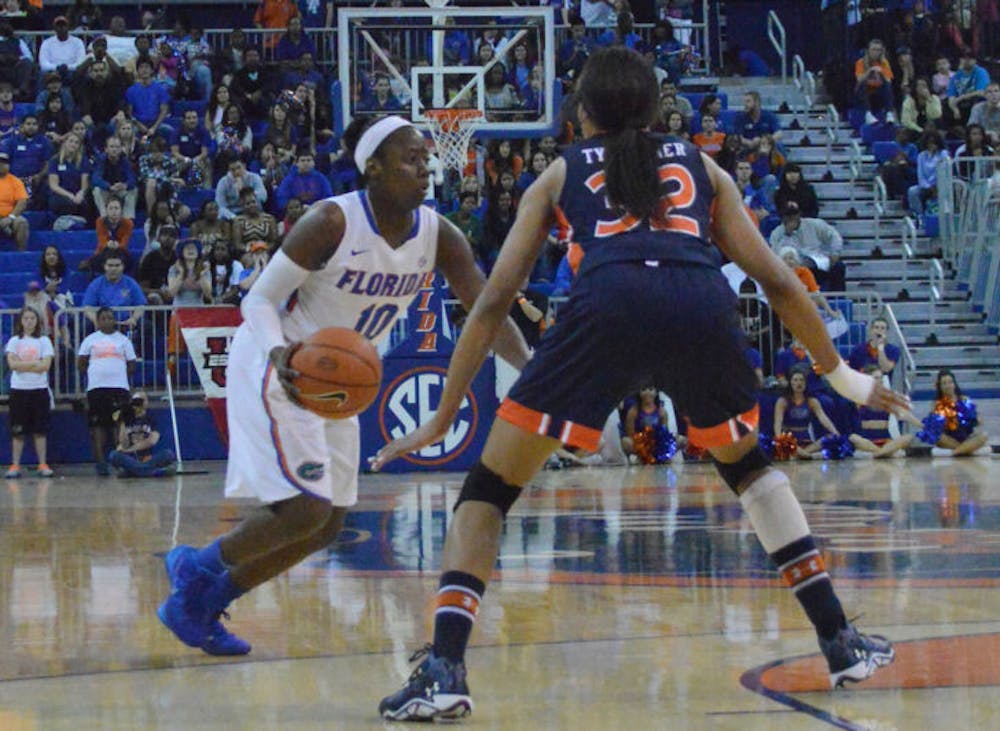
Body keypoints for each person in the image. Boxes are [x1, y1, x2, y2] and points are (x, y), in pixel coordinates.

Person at [371, 48, 907, 721]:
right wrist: (847, 378)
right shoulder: (701, 164)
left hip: (608, 302)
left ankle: (445, 668)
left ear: (580, 113)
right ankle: (840, 639)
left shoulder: (561, 170)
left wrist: (443, 414)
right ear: (656, 108)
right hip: (699, 298)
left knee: (488, 490)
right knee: (750, 469)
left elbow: (492, 300)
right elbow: (775, 278)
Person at [155, 114, 531, 659]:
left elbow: (488, 307)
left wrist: (532, 367)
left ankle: (199, 602)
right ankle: (196, 566)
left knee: (327, 524)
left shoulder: (438, 234)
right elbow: (257, 300)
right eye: (410, 158)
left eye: (427, 158)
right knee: (305, 509)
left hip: (337, 379)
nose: (425, 168)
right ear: (373, 168)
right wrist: (278, 350)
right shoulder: (331, 221)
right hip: (282, 360)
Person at [77, 306, 137, 475]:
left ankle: (121, 460)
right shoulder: (90, 340)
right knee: (98, 425)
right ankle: (101, 463)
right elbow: (81, 363)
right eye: (103, 318)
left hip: (119, 388)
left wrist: (117, 375)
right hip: (96, 389)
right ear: (98, 321)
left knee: (119, 424)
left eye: (110, 318)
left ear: (114, 320)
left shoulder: (123, 340)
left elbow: (131, 364)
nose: (107, 321)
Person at [4, 306, 55, 479]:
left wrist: (23, 364)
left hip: (39, 390)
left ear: (37, 321)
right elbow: (12, 365)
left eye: (32, 318)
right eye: (26, 318)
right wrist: (35, 364)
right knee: (17, 431)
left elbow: (46, 366)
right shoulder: (14, 341)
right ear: (21, 321)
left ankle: (42, 463)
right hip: (19, 391)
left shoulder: (44, 341)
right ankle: (15, 465)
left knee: (40, 430)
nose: (29, 322)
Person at [848, 366, 915, 458]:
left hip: (886, 441)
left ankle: (879, 453)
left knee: (909, 437)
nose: (880, 381)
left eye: (881, 378)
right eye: (876, 378)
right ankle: (882, 452)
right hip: (867, 441)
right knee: (853, 438)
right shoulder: (858, 400)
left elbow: (903, 415)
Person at [773, 368, 839, 458]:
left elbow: (824, 419)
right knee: (786, 444)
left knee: (830, 438)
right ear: (790, 383)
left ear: (806, 383)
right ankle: (810, 456)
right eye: (795, 380)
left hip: (806, 440)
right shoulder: (783, 401)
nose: (799, 383)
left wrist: (836, 433)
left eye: (801, 380)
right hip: (789, 439)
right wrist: (779, 439)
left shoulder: (812, 401)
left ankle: (802, 454)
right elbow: (778, 422)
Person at [107, 390, 176, 477]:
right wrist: (122, 421)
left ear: (146, 402)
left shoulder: (151, 419)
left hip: (147, 458)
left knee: (168, 454)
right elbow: (124, 444)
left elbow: (151, 441)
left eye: (141, 400)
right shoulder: (127, 419)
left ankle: (132, 472)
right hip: (130, 458)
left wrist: (129, 450)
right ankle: (156, 472)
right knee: (113, 455)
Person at [927, 369, 990, 456]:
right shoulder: (936, 403)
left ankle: (954, 452)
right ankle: (968, 450)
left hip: (966, 437)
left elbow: (978, 421)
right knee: (936, 436)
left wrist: (975, 419)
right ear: (940, 386)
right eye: (944, 383)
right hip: (949, 439)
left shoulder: (964, 399)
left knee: (984, 436)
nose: (948, 385)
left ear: (954, 384)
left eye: (950, 382)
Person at [0, 149, 28, 249]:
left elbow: (22, 202)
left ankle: (21, 255)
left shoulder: (15, 181)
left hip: (10, 216)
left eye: (4, 163)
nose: (1, 165)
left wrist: (10, 218)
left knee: (22, 223)